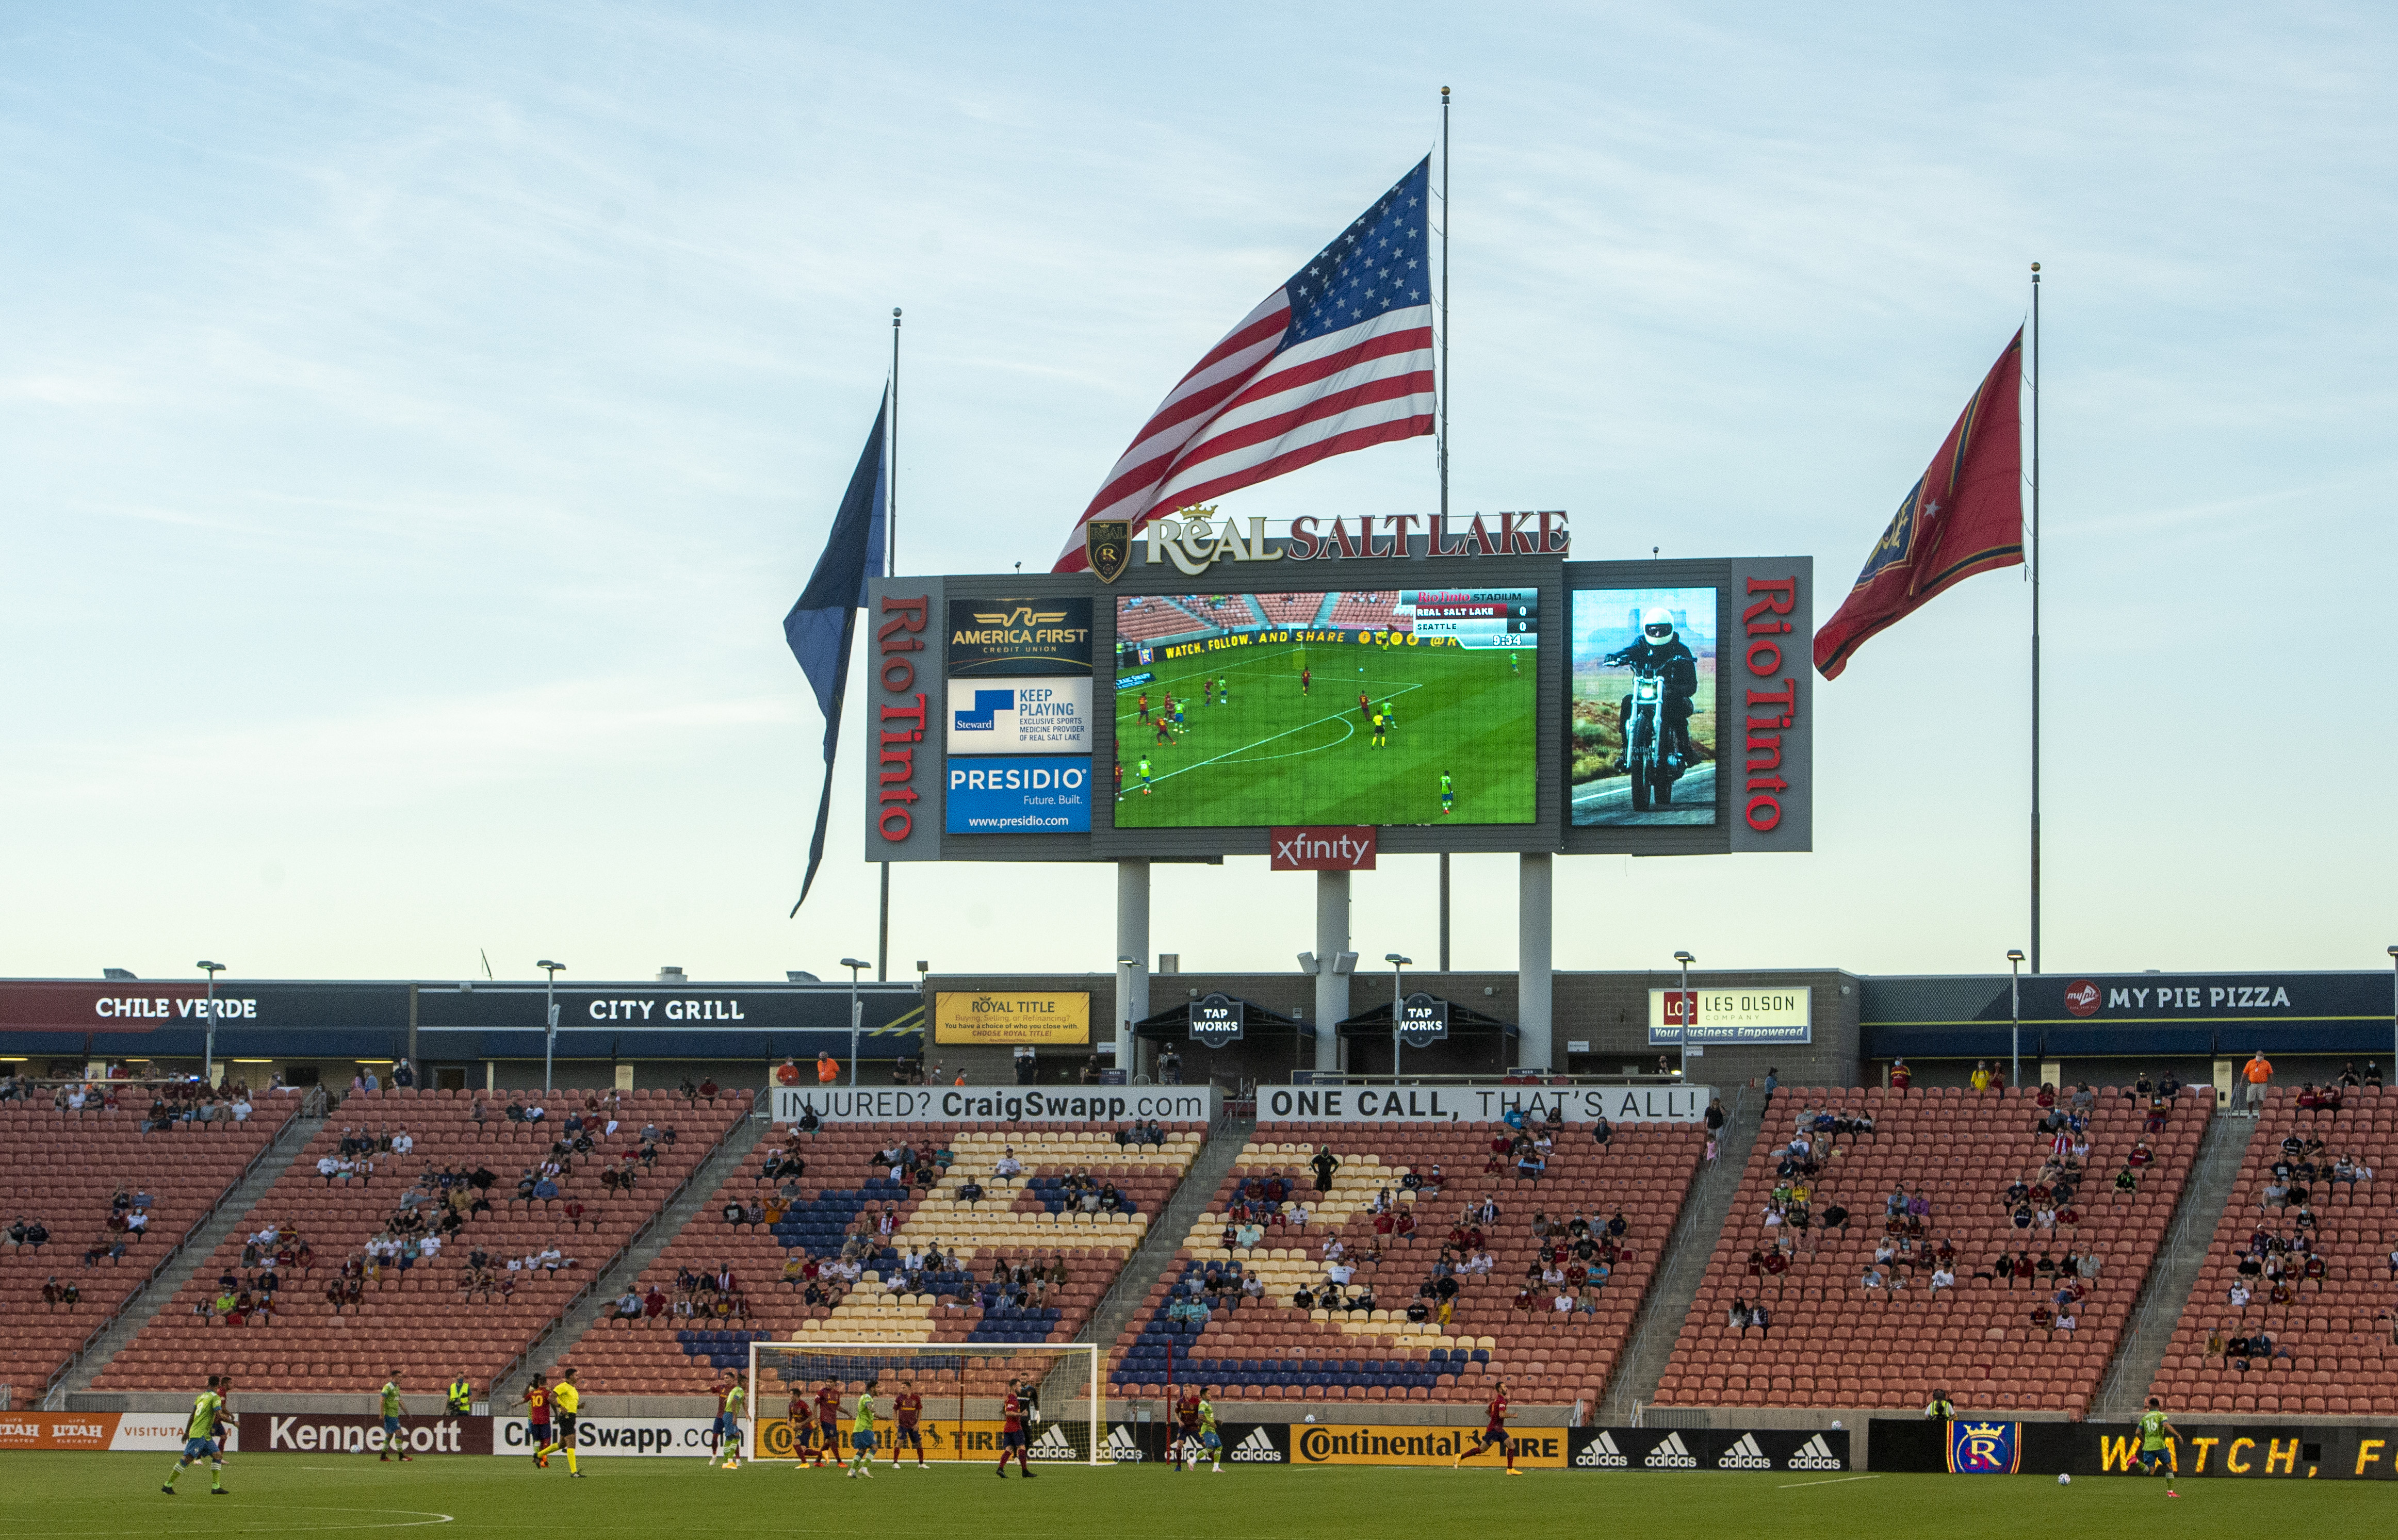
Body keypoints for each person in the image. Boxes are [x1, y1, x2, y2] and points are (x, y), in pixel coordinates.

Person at [1604, 607, 1699, 771]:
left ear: (1670, 629)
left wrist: (1676, 690)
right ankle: (1626, 751)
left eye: (1662, 630)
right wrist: (1617, 656)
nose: (1657, 634)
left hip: (1673, 697)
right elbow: (1631, 651)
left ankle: (1686, 751)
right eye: (1653, 630)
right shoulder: (1642, 644)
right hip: (1648, 694)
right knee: (1628, 702)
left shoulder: (1681, 650)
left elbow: (1692, 686)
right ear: (1647, 629)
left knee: (1676, 710)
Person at [162, 1374, 235, 1495]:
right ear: (218, 1386)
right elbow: (218, 1415)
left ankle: (216, 1487)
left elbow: (192, 1416)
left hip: (204, 1434)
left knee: (217, 1455)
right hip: (199, 1434)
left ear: (208, 1384)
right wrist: (233, 1422)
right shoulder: (215, 1397)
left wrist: (186, 1432)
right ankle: (167, 1485)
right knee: (188, 1459)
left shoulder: (200, 1397)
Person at [1451, 1379, 1519, 1474]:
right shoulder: (1501, 1401)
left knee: (1511, 1445)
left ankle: (1510, 1469)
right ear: (1500, 1389)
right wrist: (1513, 1416)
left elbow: (1488, 1411)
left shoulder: (1495, 1401)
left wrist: (1494, 1419)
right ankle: (1460, 1457)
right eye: (1505, 1387)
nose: (1507, 1389)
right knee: (1482, 1450)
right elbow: (1501, 1415)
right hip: (1493, 1431)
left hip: (1498, 1429)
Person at [2137, 1397, 2181, 1495]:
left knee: (2151, 1472)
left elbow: (2138, 1432)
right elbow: (2165, 1425)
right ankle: (2170, 1492)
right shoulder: (2161, 1415)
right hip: (2159, 1445)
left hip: (2148, 1447)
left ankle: (2136, 1461)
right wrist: (2177, 1435)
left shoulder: (2145, 1417)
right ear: (2159, 1406)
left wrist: (2144, 1441)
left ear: (2149, 1406)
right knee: (2169, 1467)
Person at [994, 1379, 1036, 1478]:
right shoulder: (1013, 1398)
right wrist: (1021, 1414)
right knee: (1022, 1447)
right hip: (1015, 1427)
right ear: (1014, 1387)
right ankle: (1025, 1471)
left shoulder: (1009, 1397)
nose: (1020, 1387)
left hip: (1008, 1427)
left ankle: (1000, 1468)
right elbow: (1008, 1412)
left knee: (1009, 1449)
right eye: (1018, 1386)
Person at [377, 1371, 414, 1463]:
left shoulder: (397, 1388)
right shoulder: (388, 1387)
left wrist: (407, 1413)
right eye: (399, 1377)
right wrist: (382, 1413)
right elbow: (382, 1399)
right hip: (389, 1414)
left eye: (402, 1377)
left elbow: (399, 1401)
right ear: (393, 1377)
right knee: (399, 1432)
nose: (401, 1379)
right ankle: (401, 1456)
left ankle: (383, 1456)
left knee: (389, 1435)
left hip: (394, 1414)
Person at [890, 1380, 927, 1468]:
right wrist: (895, 1421)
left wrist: (917, 1423)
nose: (902, 1389)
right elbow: (895, 1410)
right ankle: (895, 1463)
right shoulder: (899, 1399)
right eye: (901, 1388)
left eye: (904, 1388)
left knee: (919, 1444)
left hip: (913, 1425)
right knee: (900, 1442)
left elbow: (919, 1411)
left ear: (909, 1388)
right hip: (902, 1425)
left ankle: (921, 1464)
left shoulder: (916, 1398)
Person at [519, 1375, 554, 1468]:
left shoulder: (532, 1391)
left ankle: (537, 1455)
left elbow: (524, 1398)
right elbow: (552, 1401)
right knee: (546, 1440)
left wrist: (516, 1404)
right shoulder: (547, 1391)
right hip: (543, 1419)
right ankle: (542, 1459)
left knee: (536, 1440)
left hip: (533, 1419)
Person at [713, 1375, 746, 1469]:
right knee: (730, 1437)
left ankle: (730, 1461)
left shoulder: (735, 1389)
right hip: (730, 1415)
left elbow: (729, 1400)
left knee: (736, 1436)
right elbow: (734, 1402)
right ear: (742, 1383)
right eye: (746, 1383)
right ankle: (726, 1462)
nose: (747, 1384)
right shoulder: (739, 1390)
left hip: (728, 1414)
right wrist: (735, 1417)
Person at [843, 1386, 877, 1478]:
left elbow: (872, 1413)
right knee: (874, 1447)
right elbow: (868, 1405)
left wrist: (883, 1417)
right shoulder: (867, 1397)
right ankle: (864, 1468)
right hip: (864, 1428)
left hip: (858, 1428)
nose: (879, 1389)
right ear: (872, 1389)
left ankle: (852, 1471)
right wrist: (870, 1407)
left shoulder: (864, 1397)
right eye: (877, 1387)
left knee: (862, 1451)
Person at [1190, 1396, 1224, 1474]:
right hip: (1206, 1430)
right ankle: (1193, 1460)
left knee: (1219, 1447)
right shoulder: (1201, 1407)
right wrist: (1207, 1423)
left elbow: (1206, 1418)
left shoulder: (1205, 1406)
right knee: (1209, 1448)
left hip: (1211, 1429)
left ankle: (1216, 1467)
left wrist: (1216, 1421)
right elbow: (1200, 1419)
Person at [2241, 1051, 2273, 1115]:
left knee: (2261, 1100)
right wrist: (2241, 1082)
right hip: (2252, 1084)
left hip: (2262, 1084)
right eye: (2259, 1056)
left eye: (2262, 1056)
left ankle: (2260, 1114)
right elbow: (2245, 1073)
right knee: (2250, 1100)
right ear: (2256, 1056)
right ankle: (2250, 1113)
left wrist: (2271, 1082)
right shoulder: (2250, 1063)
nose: (2260, 1057)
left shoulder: (2267, 1063)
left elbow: (2271, 1073)